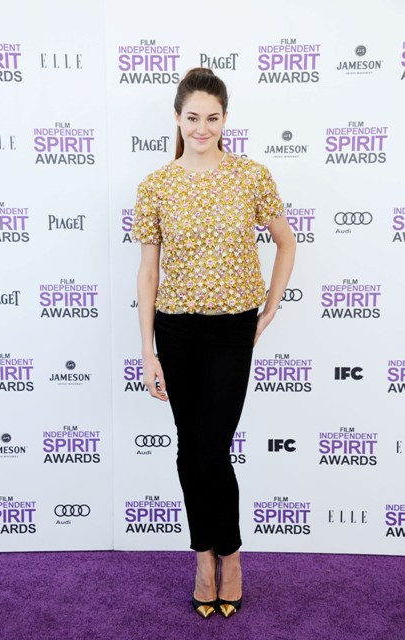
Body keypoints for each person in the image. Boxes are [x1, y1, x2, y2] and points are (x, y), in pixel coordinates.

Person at [132, 67, 296, 619]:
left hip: (231, 331)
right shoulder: (156, 185)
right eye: (192, 117)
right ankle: (205, 558)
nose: (202, 128)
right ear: (177, 118)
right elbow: (148, 272)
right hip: (176, 330)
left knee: (211, 449)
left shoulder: (251, 176)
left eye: (213, 118)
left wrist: (270, 306)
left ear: (226, 119)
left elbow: (286, 242)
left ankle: (232, 555)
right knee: (188, 448)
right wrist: (148, 350)